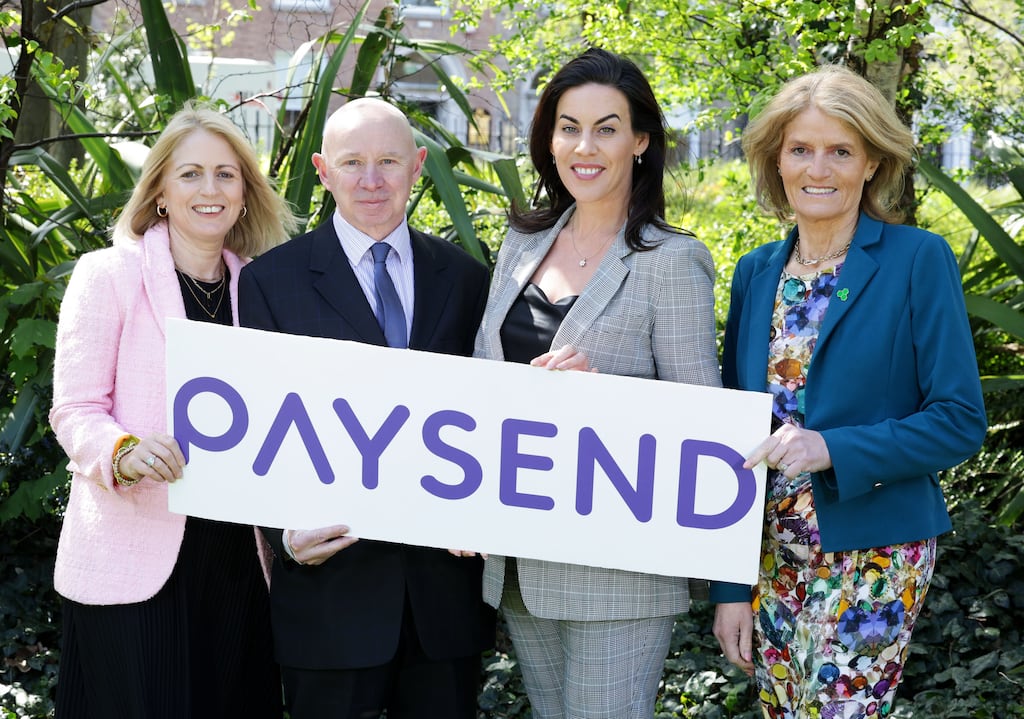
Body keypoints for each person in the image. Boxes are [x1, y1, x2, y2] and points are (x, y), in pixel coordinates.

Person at [711, 65, 988, 717]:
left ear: (871, 163)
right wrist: (728, 585)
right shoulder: (756, 272)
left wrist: (831, 447)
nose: (820, 168)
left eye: (841, 151)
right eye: (801, 149)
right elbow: (726, 434)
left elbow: (958, 420)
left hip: (874, 549)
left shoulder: (917, 258)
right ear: (776, 161)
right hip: (769, 554)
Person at [473, 48, 721, 718]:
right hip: (522, 566)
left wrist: (605, 393)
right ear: (547, 137)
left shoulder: (672, 260)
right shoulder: (521, 243)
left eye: (607, 128)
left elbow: (706, 425)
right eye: (568, 126)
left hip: (620, 573)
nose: (584, 146)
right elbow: (484, 387)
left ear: (641, 141)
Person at [237, 97, 493, 719]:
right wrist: (283, 534)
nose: (371, 180)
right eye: (352, 163)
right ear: (323, 170)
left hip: (444, 605)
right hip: (329, 598)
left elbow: (488, 415)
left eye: (388, 161)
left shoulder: (466, 277)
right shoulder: (270, 282)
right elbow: (255, 431)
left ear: (418, 165)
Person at [50, 104, 298, 718]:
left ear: (245, 192)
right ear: (160, 189)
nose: (209, 190)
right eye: (190, 174)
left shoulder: (265, 289)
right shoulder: (108, 275)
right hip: (134, 557)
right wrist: (122, 451)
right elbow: (75, 409)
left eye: (225, 174)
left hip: (239, 566)